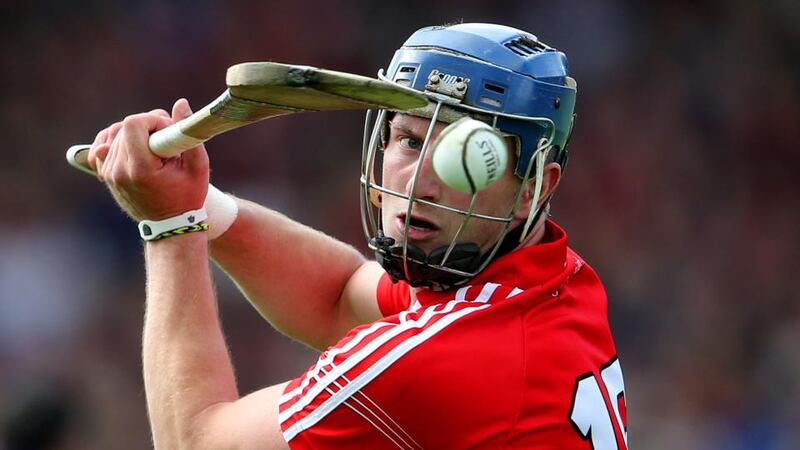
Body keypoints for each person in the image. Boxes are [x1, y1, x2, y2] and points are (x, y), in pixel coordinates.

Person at [87, 23, 628, 449]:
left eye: (463, 159)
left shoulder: (437, 363)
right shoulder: (553, 283)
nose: (421, 183)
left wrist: (169, 226)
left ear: (534, 187)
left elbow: (193, 443)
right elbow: (340, 295)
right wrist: (196, 199)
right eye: (411, 141)